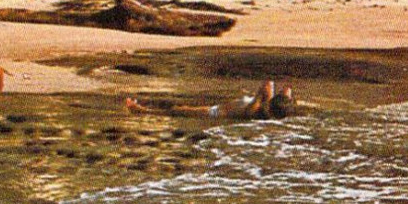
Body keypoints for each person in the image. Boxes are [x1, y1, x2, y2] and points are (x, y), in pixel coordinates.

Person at [124, 79, 294, 120]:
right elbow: (286, 90)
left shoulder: (254, 110)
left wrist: (269, 97)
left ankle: (142, 111)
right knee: (179, 108)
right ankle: (144, 109)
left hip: (214, 112)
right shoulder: (267, 107)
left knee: (177, 111)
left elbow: (266, 85)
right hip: (216, 108)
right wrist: (281, 97)